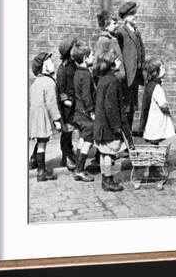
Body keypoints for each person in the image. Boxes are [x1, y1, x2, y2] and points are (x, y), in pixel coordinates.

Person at [93, 48, 133, 192]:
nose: (119, 61)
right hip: (109, 125)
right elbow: (111, 106)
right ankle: (108, 180)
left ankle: (105, 177)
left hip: (101, 124)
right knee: (109, 153)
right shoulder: (113, 81)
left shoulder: (102, 79)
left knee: (104, 153)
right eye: (116, 60)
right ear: (111, 64)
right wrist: (117, 126)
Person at [29, 52, 62, 181]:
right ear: (44, 66)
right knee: (42, 144)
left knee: (41, 142)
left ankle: (40, 168)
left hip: (35, 116)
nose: (53, 64)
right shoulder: (48, 82)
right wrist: (57, 120)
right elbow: (51, 103)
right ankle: (41, 172)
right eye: (50, 62)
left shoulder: (36, 82)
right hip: (43, 117)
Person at [116, 1, 146, 131]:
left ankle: (129, 137)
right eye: (133, 14)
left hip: (135, 77)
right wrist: (121, 73)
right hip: (126, 77)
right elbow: (118, 54)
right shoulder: (121, 33)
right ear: (126, 17)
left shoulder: (136, 32)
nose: (136, 16)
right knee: (125, 107)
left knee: (132, 107)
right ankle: (124, 138)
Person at [71, 44, 96, 182]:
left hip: (78, 112)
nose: (93, 57)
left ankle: (77, 168)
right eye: (92, 55)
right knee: (88, 140)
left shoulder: (77, 72)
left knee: (82, 139)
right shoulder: (86, 74)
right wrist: (91, 111)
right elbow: (87, 95)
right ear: (86, 58)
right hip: (85, 113)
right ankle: (80, 170)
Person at [56, 34, 79, 170]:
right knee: (66, 131)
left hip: (74, 103)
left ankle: (69, 153)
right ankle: (66, 155)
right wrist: (66, 100)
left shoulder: (74, 65)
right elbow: (60, 88)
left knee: (71, 131)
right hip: (66, 107)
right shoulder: (62, 69)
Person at [139, 58, 175, 144]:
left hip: (152, 119)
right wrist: (168, 110)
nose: (164, 69)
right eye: (162, 68)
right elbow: (162, 105)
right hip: (156, 120)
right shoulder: (157, 88)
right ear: (156, 72)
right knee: (156, 137)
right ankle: (155, 153)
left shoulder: (150, 85)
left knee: (154, 138)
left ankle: (155, 151)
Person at [93, 10, 125, 82]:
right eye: (114, 23)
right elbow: (98, 65)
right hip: (111, 80)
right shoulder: (104, 40)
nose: (117, 25)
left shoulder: (112, 39)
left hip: (117, 79)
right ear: (106, 25)